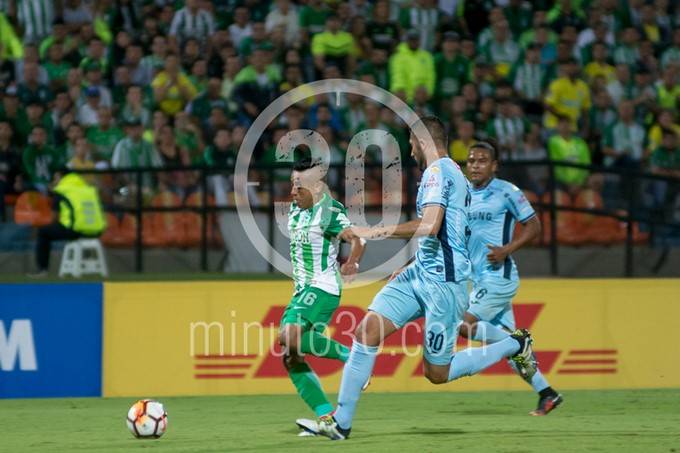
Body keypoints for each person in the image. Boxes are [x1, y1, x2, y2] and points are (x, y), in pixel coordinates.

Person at [297, 116, 537, 440]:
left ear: (423, 141)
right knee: (367, 331)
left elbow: (430, 226)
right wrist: (412, 263)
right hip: (420, 273)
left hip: (445, 283)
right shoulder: (449, 174)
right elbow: (443, 231)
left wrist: (373, 231)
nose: (410, 151)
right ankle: (340, 423)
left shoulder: (439, 172)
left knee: (436, 372)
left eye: (411, 143)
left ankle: (514, 344)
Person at [459, 141, 563, 416]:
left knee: (464, 325)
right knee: (507, 348)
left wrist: (507, 249)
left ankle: (518, 342)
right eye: (471, 161)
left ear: (494, 165)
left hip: (498, 277)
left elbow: (534, 226)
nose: (475, 166)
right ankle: (547, 394)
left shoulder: (507, 191)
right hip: (478, 278)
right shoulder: (462, 193)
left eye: (482, 161)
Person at [278, 157, 366, 433]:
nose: (293, 191)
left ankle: (352, 358)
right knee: (291, 356)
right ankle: (328, 420)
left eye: (299, 186)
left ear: (317, 187)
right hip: (302, 291)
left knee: (288, 336)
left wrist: (352, 262)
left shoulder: (329, 211)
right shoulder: (296, 208)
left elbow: (358, 238)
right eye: (292, 184)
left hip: (322, 288)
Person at [28, 167, 106, 277]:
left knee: (43, 232)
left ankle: (42, 269)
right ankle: (85, 263)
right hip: (96, 231)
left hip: (75, 230)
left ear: (61, 176)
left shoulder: (62, 190)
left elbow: (54, 217)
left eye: (55, 178)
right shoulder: (88, 188)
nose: (54, 182)